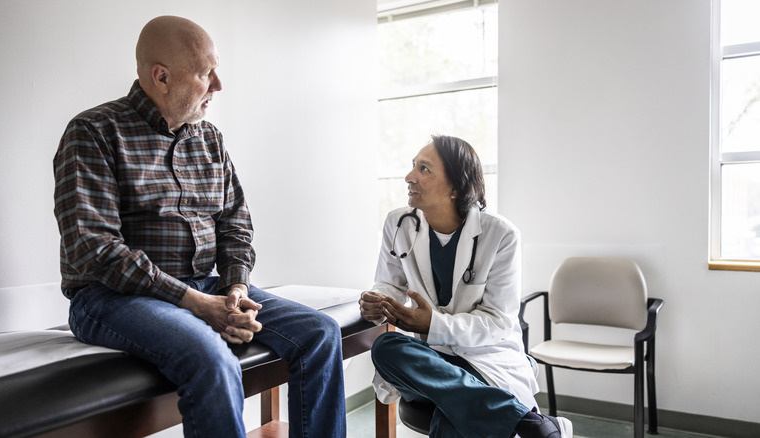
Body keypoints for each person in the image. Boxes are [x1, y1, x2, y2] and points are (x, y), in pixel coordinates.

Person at [53, 16, 345, 438]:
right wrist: (193, 302)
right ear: (162, 77)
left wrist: (235, 290)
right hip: (110, 298)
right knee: (210, 356)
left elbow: (235, 224)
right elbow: (92, 247)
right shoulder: (94, 132)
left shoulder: (209, 139)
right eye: (207, 73)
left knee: (320, 332)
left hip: (207, 285)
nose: (219, 84)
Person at [359, 135, 573, 438]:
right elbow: (388, 282)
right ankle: (528, 424)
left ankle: (509, 416)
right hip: (431, 361)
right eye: (412, 167)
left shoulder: (501, 235)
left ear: (456, 188)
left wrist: (432, 323)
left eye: (424, 169)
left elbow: (498, 321)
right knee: (386, 347)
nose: (409, 177)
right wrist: (379, 300)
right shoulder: (398, 223)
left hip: (484, 357)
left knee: (454, 417)